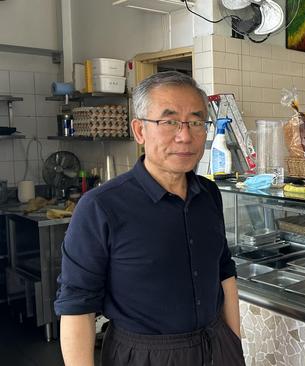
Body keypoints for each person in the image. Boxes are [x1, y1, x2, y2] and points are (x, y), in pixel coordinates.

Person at [54, 71, 244, 366]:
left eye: (196, 122)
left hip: (216, 346)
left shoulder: (209, 194)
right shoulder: (101, 207)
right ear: (140, 130)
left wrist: (234, 343)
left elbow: (224, 271)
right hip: (144, 356)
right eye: (169, 122)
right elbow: (77, 306)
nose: (185, 135)